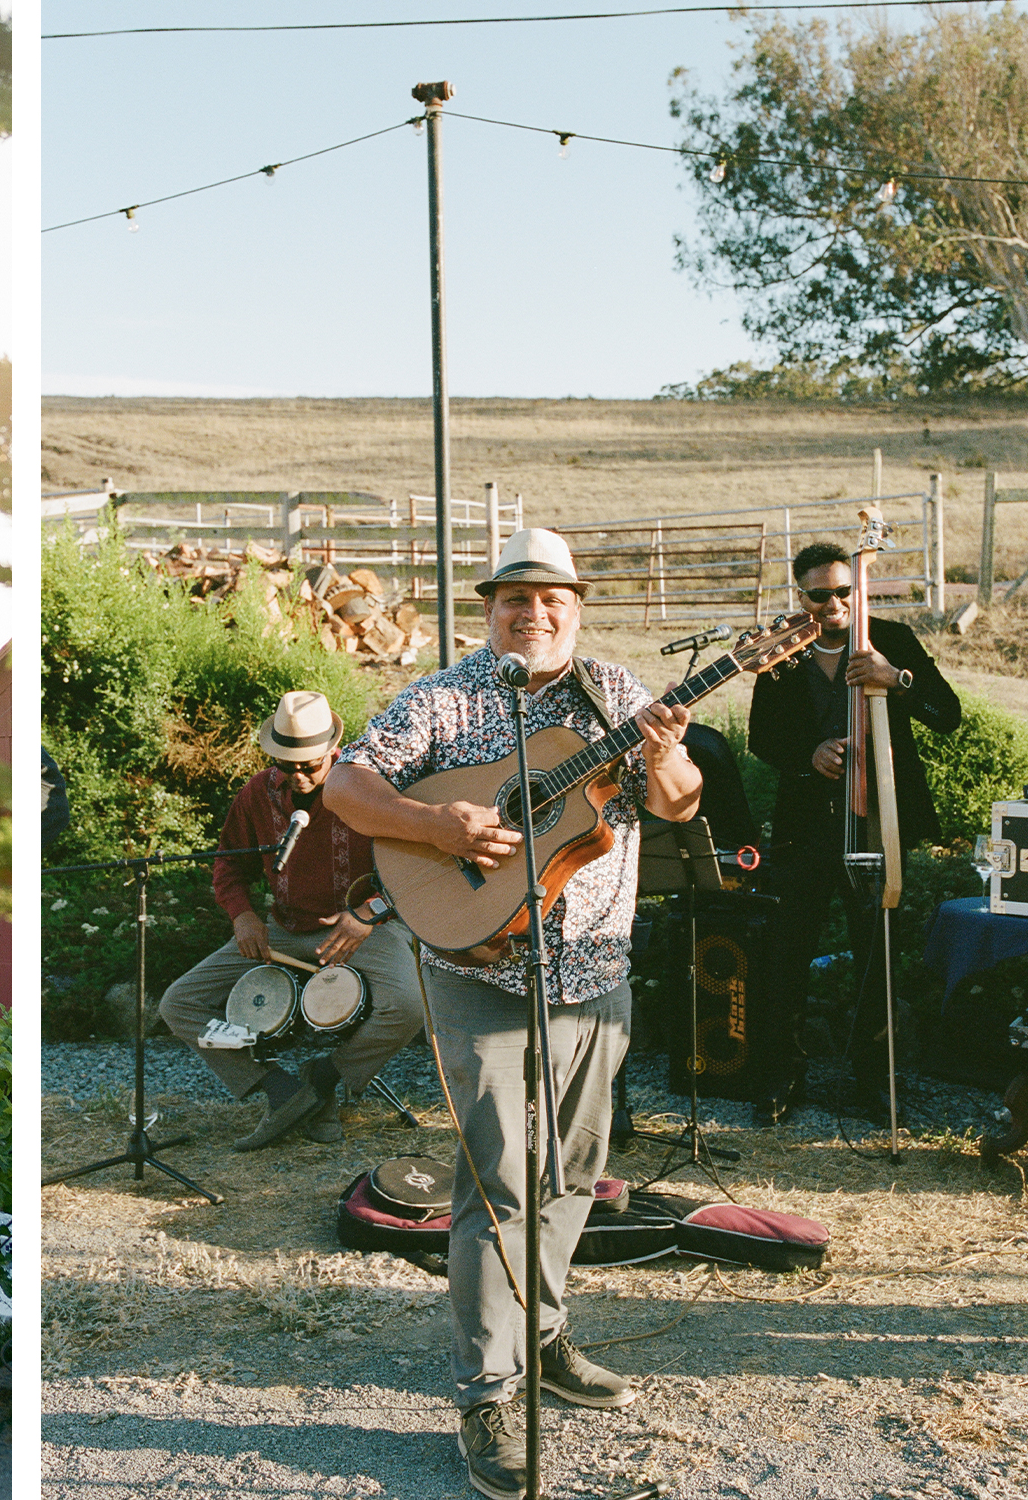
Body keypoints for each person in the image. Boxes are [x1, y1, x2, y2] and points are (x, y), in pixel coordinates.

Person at [324, 528, 700, 1500]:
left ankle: (543, 1332)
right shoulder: (445, 699)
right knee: (497, 1185)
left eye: (551, 601)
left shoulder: (614, 695)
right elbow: (344, 781)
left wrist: (662, 757)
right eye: (514, 600)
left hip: (595, 976)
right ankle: (488, 1392)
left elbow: (677, 803)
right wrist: (433, 824)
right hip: (479, 976)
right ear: (488, 610)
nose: (533, 615)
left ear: (575, 610)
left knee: (572, 1175)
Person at [152, 689, 427, 1151]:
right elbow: (228, 864)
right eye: (286, 765)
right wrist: (243, 916)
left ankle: (325, 1078)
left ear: (333, 753)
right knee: (179, 1003)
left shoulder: (369, 787)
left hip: (363, 928)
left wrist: (368, 912)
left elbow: (418, 866)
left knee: (409, 1006)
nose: (297, 776)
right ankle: (282, 1091)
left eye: (309, 766)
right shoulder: (256, 794)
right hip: (285, 928)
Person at [748, 540, 963, 1124]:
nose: (835, 603)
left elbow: (947, 714)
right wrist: (808, 754)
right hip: (805, 827)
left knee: (878, 951)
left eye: (845, 590)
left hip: (879, 821)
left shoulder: (891, 639)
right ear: (801, 596)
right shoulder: (783, 650)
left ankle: (875, 1080)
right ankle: (783, 1076)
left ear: (858, 589)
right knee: (789, 949)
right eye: (820, 594)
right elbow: (761, 737)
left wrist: (898, 679)